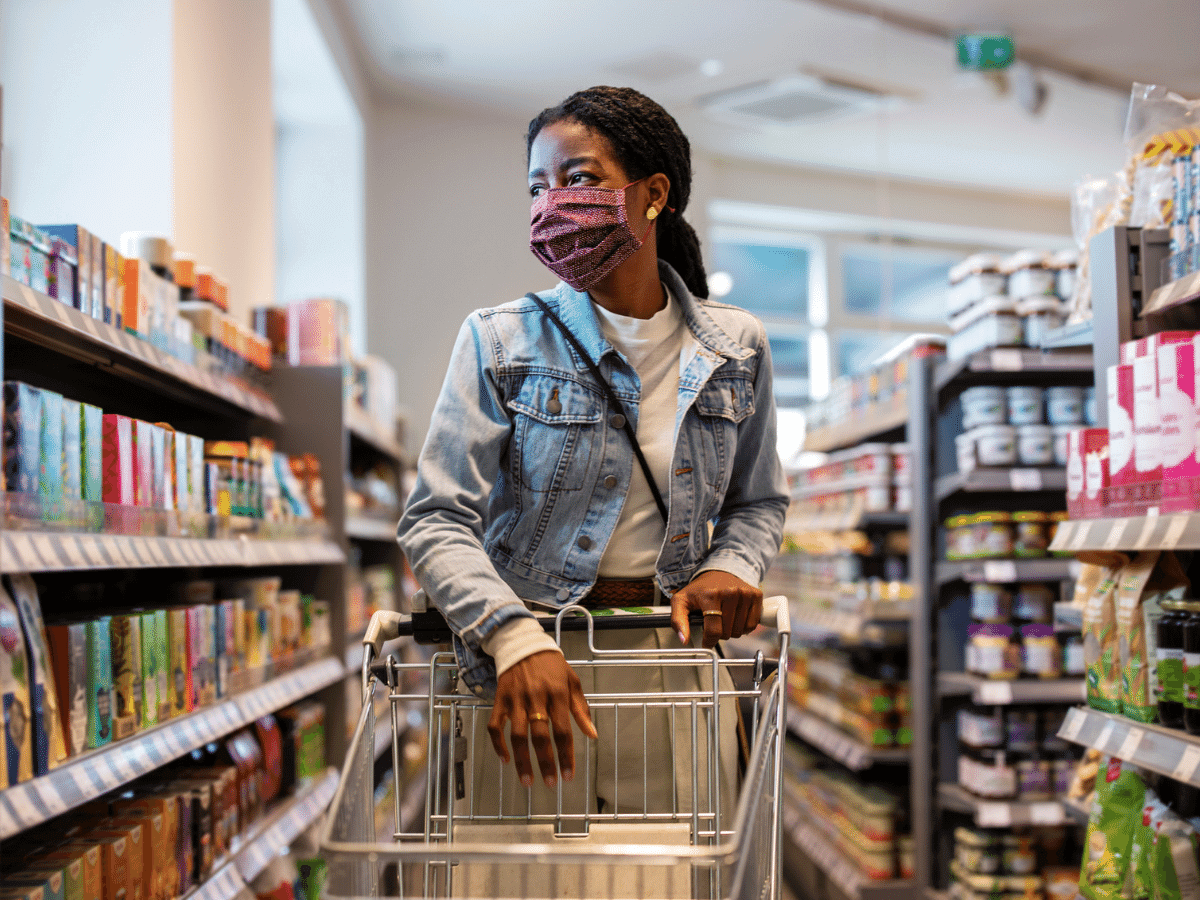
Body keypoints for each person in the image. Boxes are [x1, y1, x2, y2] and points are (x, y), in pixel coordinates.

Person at [396, 85, 788, 815]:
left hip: (673, 667)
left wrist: (730, 567)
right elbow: (435, 519)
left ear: (654, 195)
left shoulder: (738, 347)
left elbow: (758, 500)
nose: (552, 204)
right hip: (527, 669)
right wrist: (513, 639)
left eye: (579, 179)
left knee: (666, 882)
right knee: (515, 885)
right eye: (537, 187)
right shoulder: (499, 339)